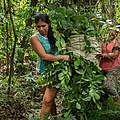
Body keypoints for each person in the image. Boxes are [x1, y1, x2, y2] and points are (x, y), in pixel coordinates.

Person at [30, 12, 70, 118]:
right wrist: (63, 57)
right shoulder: (35, 38)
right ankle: (54, 116)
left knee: (47, 101)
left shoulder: (56, 34)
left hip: (55, 71)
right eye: (38, 27)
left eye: (44, 26)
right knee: (49, 100)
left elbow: (62, 48)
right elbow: (44, 56)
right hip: (42, 72)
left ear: (49, 24)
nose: (41, 29)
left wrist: (64, 53)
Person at [96, 28, 120, 103]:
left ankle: (117, 100)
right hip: (102, 66)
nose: (110, 33)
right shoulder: (102, 39)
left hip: (114, 67)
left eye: (113, 31)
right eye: (109, 30)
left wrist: (103, 55)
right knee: (101, 88)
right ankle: (104, 107)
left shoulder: (117, 41)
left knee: (107, 85)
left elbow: (115, 55)